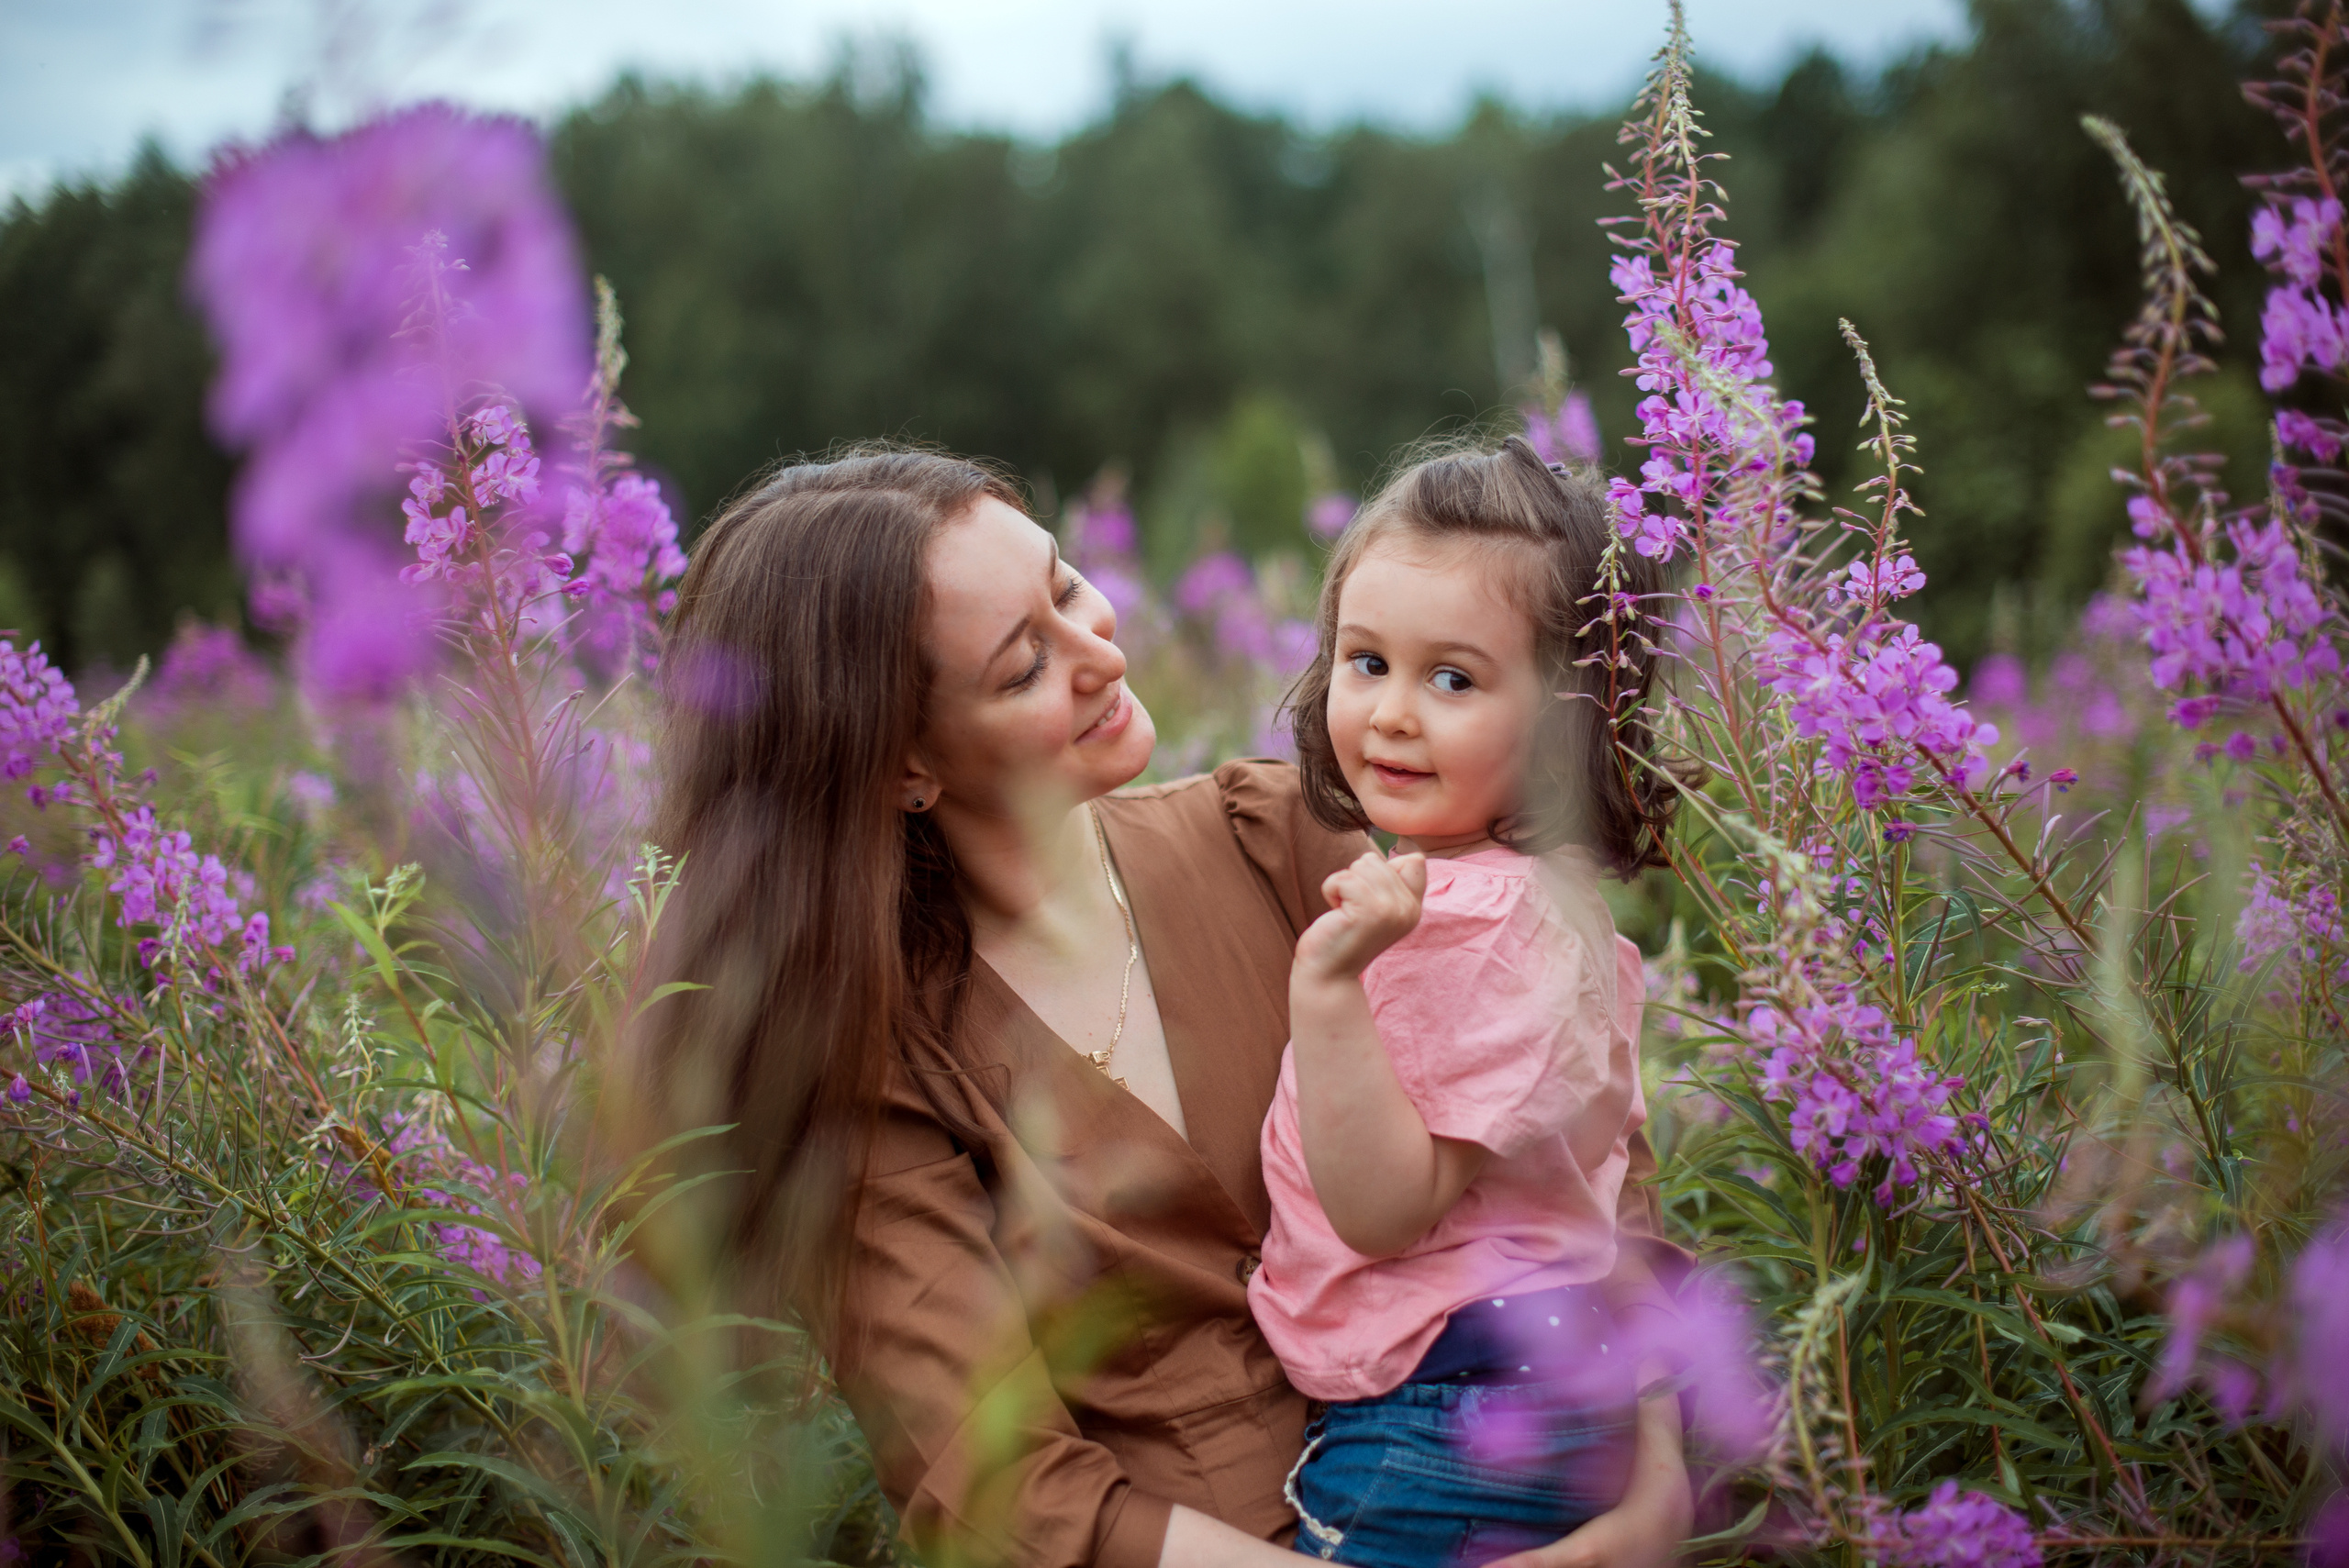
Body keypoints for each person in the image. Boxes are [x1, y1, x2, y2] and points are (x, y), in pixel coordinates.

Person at [629, 446, 1691, 1568]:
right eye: (1024, 663)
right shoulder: (873, 1065)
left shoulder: (1273, 835)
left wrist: (1656, 1485)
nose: (1100, 650)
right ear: (904, 766)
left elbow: (1552, 1120)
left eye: (1067, 584)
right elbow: (999, 1489)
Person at [1250, 437, 1686, 1567]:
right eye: (1365, 661)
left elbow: (1384, 1208)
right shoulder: (1546, 904)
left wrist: (1328, 984)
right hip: (1538, 1369)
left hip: (1438, 1411)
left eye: (1452, 679)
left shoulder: (1470, 924)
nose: (1393, 713)